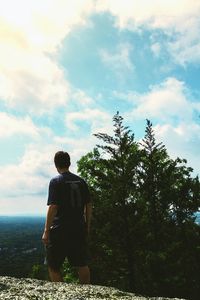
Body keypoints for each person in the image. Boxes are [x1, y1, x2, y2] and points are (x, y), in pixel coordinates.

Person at [42, 151, 92, 283]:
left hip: (60, 230)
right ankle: (85, 293)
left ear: (55, 165)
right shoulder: (81, 181)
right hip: (78, 228)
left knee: (53, 266)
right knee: (81, 263)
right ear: (69, 163)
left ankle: (62, 294)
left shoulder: (55, 181)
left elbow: (53, 207)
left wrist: (46, 231)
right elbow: (89, 205)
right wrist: (87, 226)